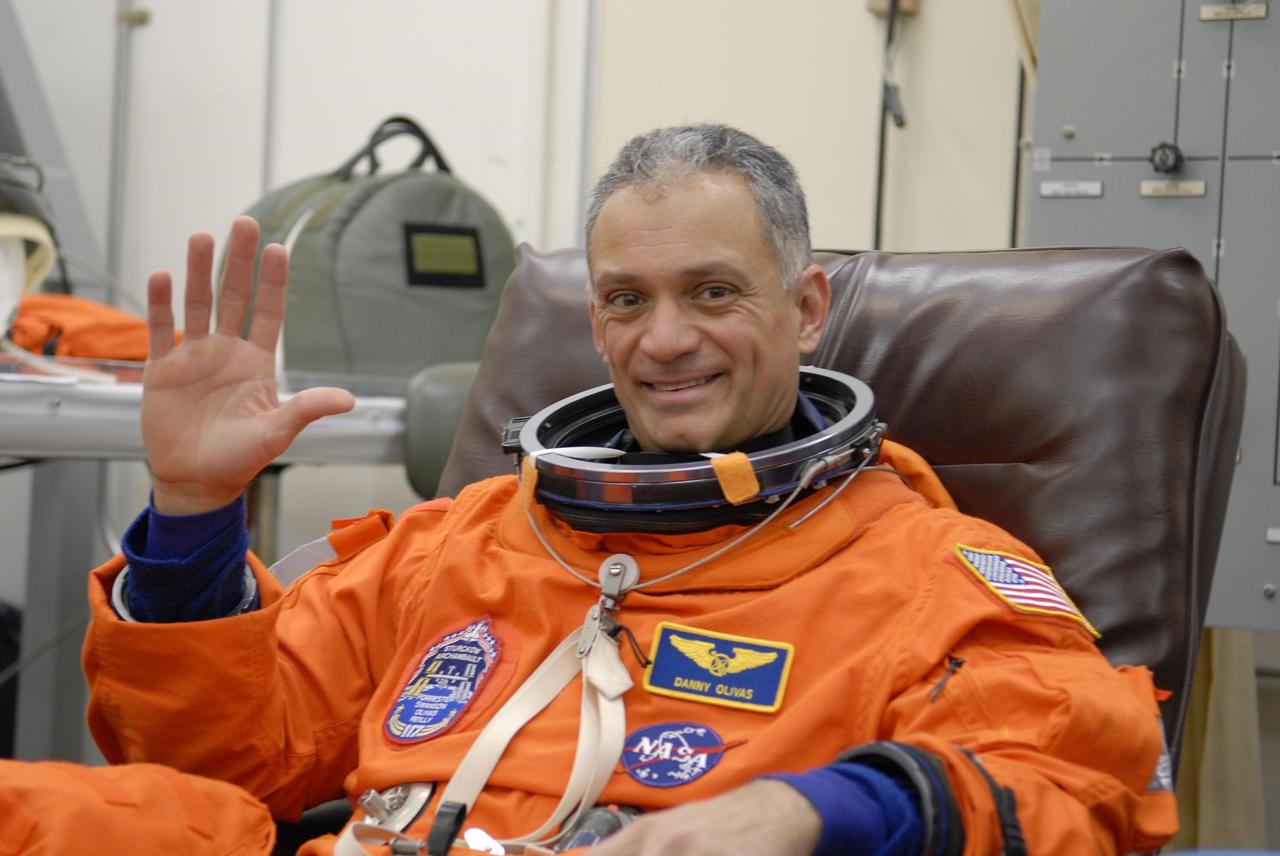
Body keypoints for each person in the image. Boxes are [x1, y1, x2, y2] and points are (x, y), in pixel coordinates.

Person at [68, 125, 1176, 855]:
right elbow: (222, 758)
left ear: (802, 308)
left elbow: (1082, 787)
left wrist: (808, 808)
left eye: (710, 291)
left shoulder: (922, 568)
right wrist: (194, 509)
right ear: (592, 320)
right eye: (625, 299)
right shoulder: (461, 541)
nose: (665, 340)